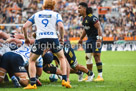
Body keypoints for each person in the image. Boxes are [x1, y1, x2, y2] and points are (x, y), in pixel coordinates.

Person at [23, 0, 71, 89]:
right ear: (53, 6)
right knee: (61, 57)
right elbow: (61, 26)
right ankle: (65, 80)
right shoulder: (56, 14)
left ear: (43, 6)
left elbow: (25, 26)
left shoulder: (36, 14)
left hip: (40, 39)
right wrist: (61, 38)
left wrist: (26, 38)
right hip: (53, 38)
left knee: (32, 60)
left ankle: (33, 83)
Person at [78, 2, 104, 81]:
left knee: (96, 56)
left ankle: (100, 76)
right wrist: (81, 38)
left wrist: (99, 39)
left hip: (95, 39)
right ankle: (90, 75)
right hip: (89, 40)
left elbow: (99, 27)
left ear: (84, 9)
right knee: (88, 57)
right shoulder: (84, 19)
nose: (78, 10)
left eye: (80, 8)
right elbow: (85, 29)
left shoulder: (92, 17)